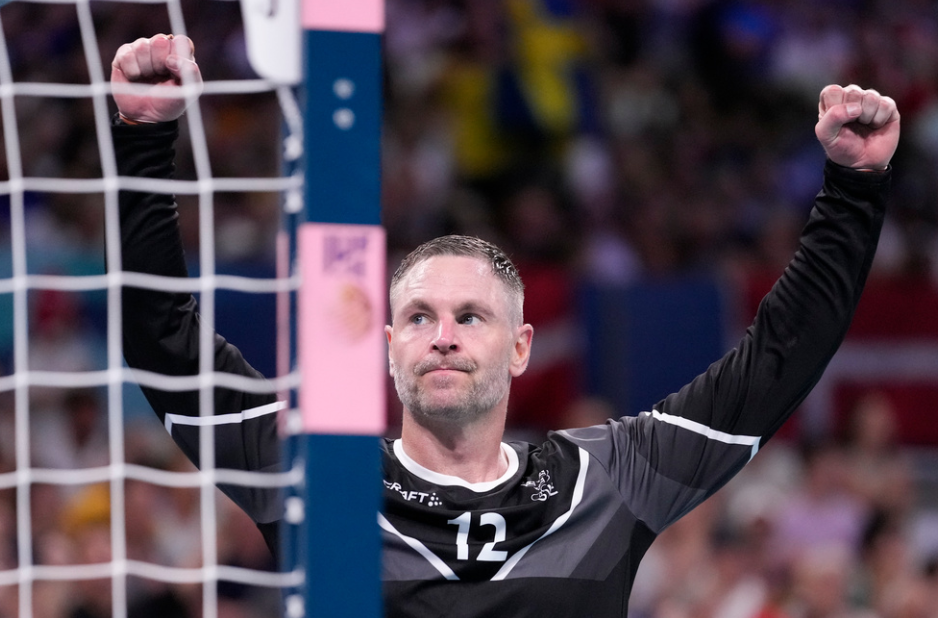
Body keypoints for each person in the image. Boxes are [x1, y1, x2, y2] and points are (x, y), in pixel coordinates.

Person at [111, 34, 899, 616]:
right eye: (418, 317)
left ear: (521, 347)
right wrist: (145, 141)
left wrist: (854, 192)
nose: (443, 335)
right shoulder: (314, 475)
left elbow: (779, 362)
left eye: (471, 316)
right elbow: (164, 343)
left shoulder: (611, 477)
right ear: (387, 350)